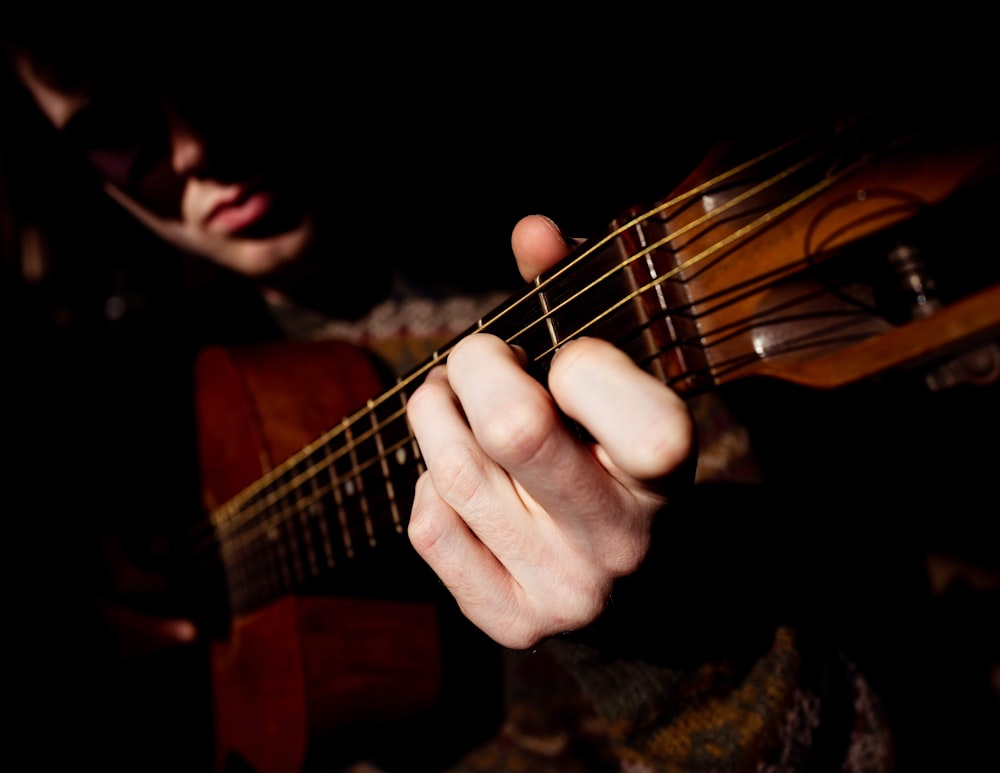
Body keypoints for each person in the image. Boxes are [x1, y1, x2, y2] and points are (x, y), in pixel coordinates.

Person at [2, 14, 997, 773]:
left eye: (200, 60)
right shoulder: (122, 390)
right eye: (114, 128)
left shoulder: (585, 296)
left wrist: (654, 641)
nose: (192, 142)